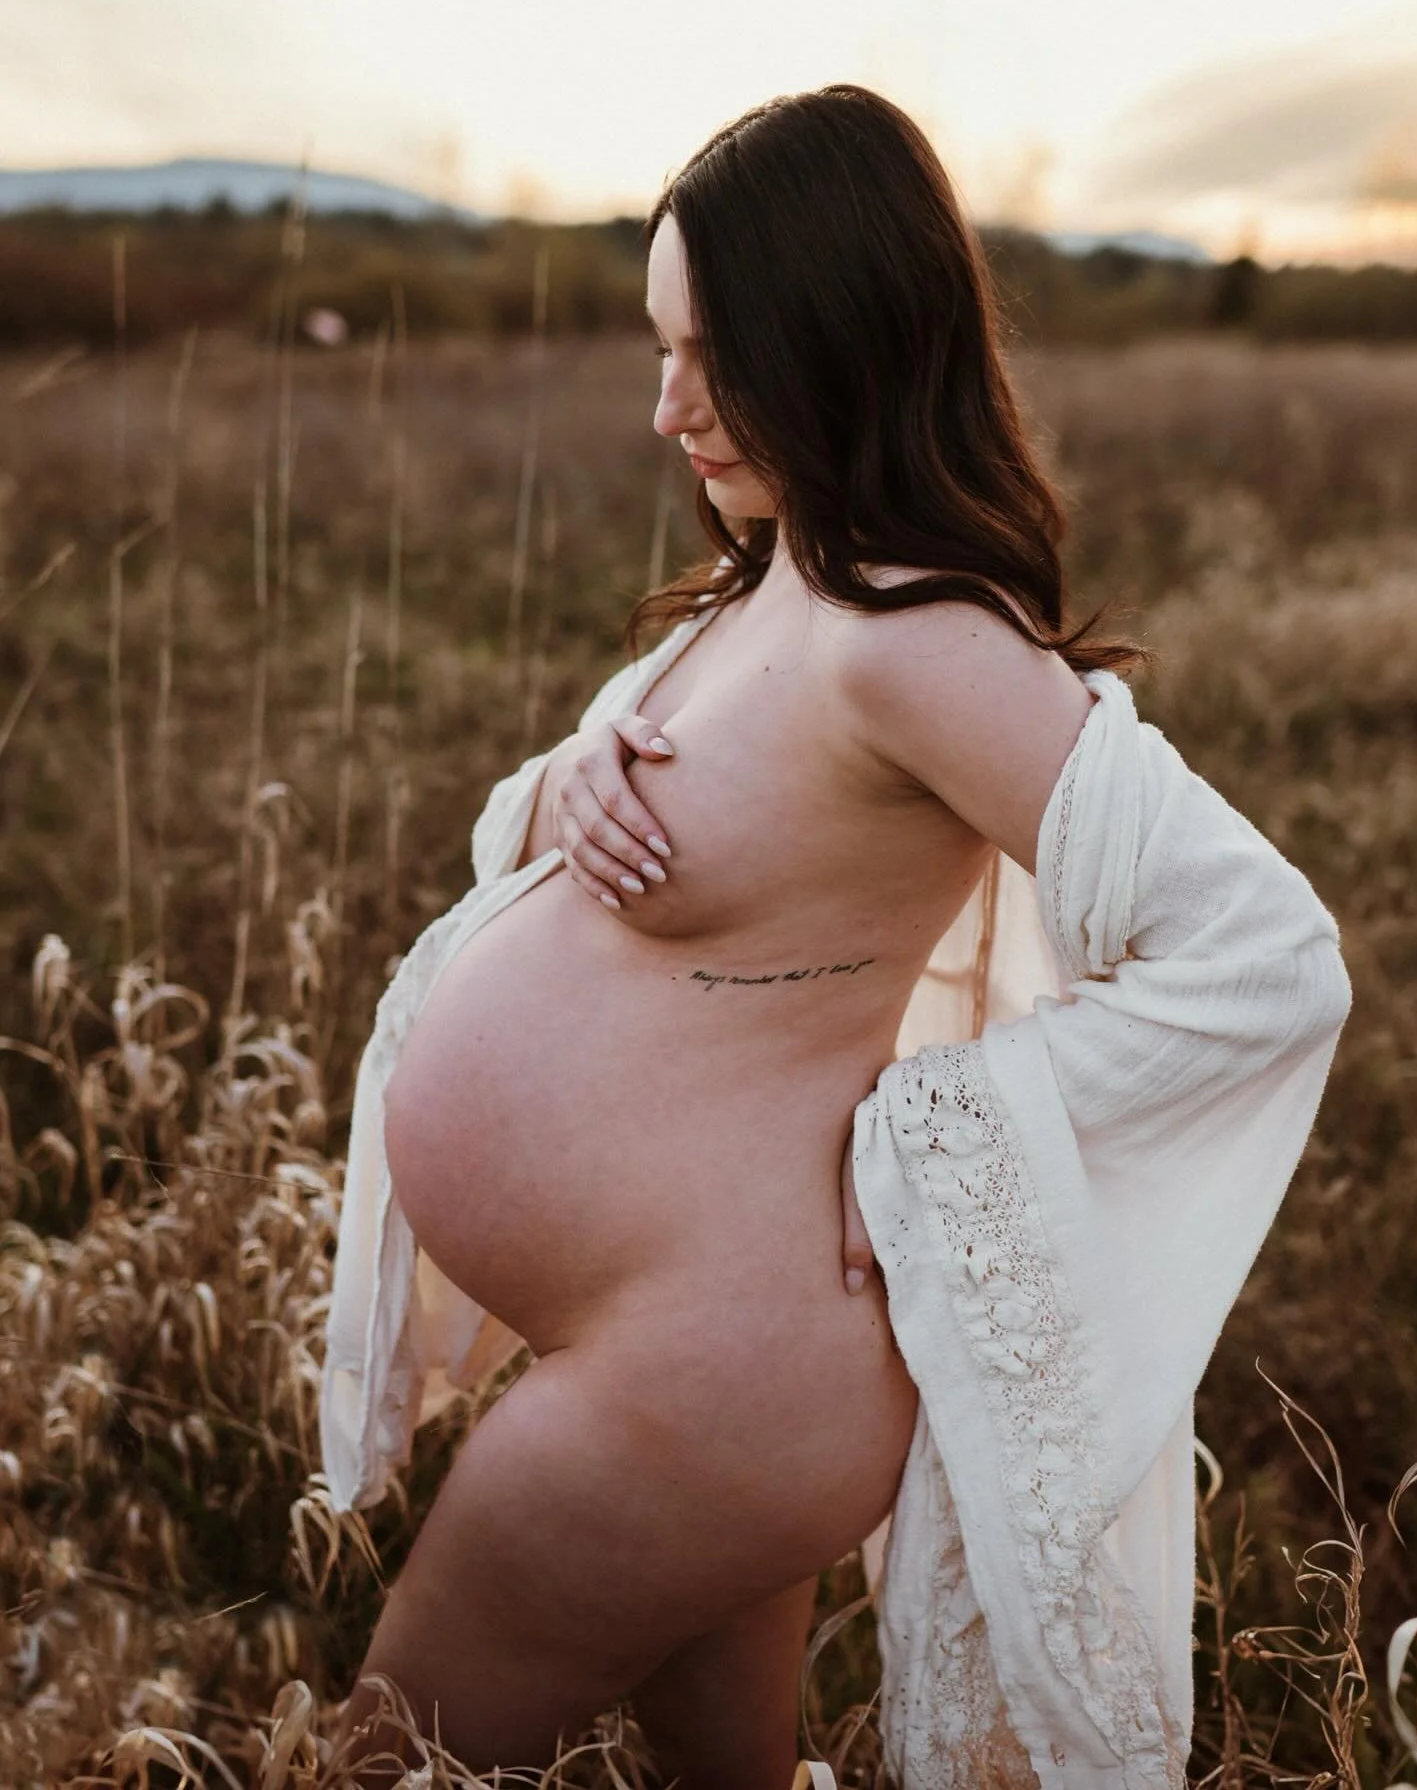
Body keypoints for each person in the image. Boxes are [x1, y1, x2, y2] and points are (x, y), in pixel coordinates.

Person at [322, 86, 1350, 1789]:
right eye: (658, 348)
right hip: (690, 1362)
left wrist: (932, 1137)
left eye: (710, 354)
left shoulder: (920, 638)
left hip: (708, 1381)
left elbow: (1264, 953)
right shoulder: (774, 577)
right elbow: (719, 852)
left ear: (835, 331)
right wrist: (576, 772)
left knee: (378, 1761)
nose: (667, 409)